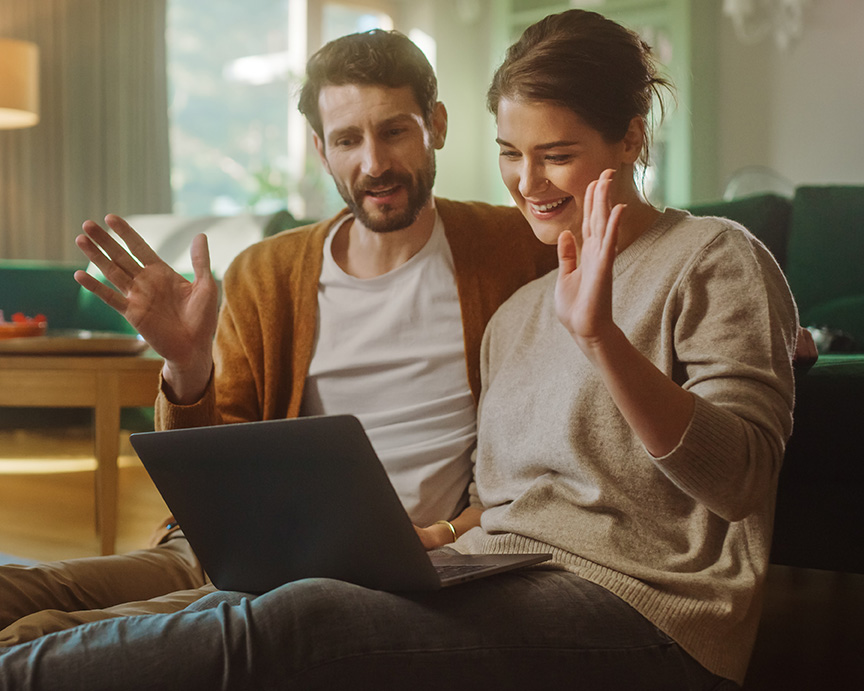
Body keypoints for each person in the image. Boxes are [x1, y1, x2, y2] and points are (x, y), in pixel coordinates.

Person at [0, 10, 800, 690]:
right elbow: (513, 498)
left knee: (296, 617)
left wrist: (604, 340)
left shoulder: (710, 256)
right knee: (107, 608)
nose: (528, 183)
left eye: (556, 155)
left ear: (630, 138)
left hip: (648, 600)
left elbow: (738, 477)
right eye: (510, 155)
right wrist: (445, 538)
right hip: (492, 566)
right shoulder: (520, 309)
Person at [0, 29, 555, 647]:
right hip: (224, 547)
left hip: (355, 573)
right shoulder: (268, 272)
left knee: (43, 637)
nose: (374, 163)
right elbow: (211, 472)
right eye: (348, 139)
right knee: (11, 594)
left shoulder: (518, 251)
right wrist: (186, 365)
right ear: (322, 150)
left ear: (437, 125)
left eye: (395, 130)